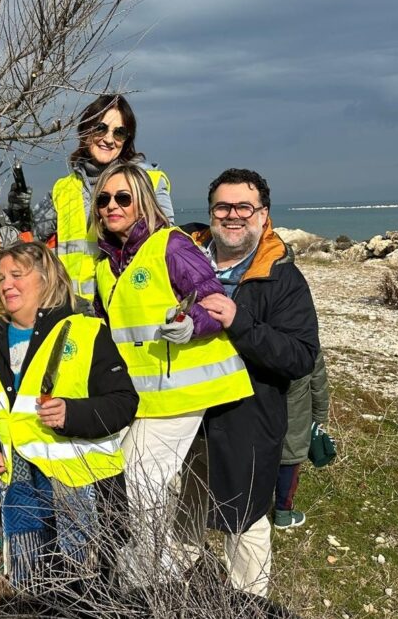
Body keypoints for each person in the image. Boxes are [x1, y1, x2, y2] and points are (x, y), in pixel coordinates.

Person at [90, 162, 254, 586]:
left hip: (187, 389)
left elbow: (215, 303)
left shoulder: (171, 245)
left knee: (142, 479)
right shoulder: (105, 264)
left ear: (143, 201)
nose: (112, 206)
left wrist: (190, 324)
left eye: (123, 197)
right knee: (140, 483)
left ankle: (146, 580)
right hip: (145, 397)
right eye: (105, 198)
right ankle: (161, 574)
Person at [180, 168, 319, 596]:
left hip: (247, 421)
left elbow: (299, 357)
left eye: (244, 207)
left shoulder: (282, 278)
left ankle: (245, 605)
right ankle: (172, 597)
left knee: (246, 525)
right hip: (181, 419)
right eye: (223, 206)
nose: (233, 215)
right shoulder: (181, 262)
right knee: (178, 519)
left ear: (263, 215)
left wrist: (241, 323)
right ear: (210, 212)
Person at [0, 241, 138, 591]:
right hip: (18, 481)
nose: (6, 285)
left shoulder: (85, 330)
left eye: (17, 274)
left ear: (47, 279)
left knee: (85, 588)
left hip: (78, 486)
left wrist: (73, 412)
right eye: (0, 277)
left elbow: (124, 402)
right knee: (30, 580)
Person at [14, 94, 175, 301]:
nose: (109, 139)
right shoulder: (64, 189)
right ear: (86, 129)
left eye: (119, 133)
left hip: (127, 308)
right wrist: (19, 211)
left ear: (126, 140)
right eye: (101, 128)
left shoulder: (149, 181)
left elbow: (168, 248)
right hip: (72, 310)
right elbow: (29, 236)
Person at [275, 352, 329, 529]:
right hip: (296, 412)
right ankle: (283, 513)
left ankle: (250, 505)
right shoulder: (306, 338)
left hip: (260, 410)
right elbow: (318, 382)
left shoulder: (256, 331)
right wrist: (319, 416)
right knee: (290, 460)